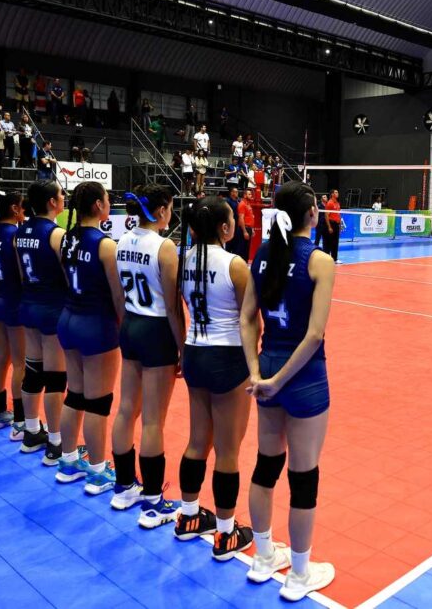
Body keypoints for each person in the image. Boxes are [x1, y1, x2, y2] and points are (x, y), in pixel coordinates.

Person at [240, 181, 337, 599]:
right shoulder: (320, 261)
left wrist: (257, 373)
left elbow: (247, 318)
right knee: (304, 475)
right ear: (312, 213)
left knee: (266, 465)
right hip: (303, 376)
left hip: (268, 368)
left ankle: (264, 557)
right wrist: (278, 380)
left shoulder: (263, 254)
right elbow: (314, 335)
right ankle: (298, 574)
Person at [177, 195, 254, 561]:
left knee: (197, 441)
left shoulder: (184, 260)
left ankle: (189, 516)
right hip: (227, 357)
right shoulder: (234, 265)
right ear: (225, 227)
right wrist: (255, 366)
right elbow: (251, 320)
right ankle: (225, 533)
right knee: (227, 449)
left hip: (195, 351)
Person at [108, 185, 183, 529]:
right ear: (163, 210)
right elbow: (172, 306)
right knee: (153, 419)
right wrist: (183, 347)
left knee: (127, 409)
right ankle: (153, 501)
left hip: (131, 325)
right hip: (155, 329)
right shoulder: (164, 247)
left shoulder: (121, 241)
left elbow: (120, 296)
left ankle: (124, 487)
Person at [55, 181, 125, 492]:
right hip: (96, 325)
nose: (109, 203)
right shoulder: (105, 245)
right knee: (99, 402)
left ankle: (68, 461)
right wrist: (126, 330)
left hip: (69, 318)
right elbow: (118, 296)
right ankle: (97, 470)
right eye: (107, 199)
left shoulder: (66, 238)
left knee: (75, 394)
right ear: (98, 205)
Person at [17, 181, 77, 460]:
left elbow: (21, 272)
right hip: (52, 308)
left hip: (29, 304)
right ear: (52, 202)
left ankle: (31, 432)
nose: (64, 198)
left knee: (33, 372)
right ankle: (55, 441)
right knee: (55, 379)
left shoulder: (21, 231)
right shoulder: (56, 234)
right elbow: (69, 276)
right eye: (61, 195)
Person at [0, 189, 27, 433]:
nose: (25, 210)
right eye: (22, 206)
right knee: (20, 363)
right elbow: (22, 274)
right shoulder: (15, 235)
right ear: (14, 208)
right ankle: (21, 421)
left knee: (1, 357)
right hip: (12, 300)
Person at [323, 190, 341, 262]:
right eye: (336, 192)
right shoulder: (330, 203)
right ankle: (326, 259)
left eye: (337, 192)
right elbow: (326, 215)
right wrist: (329, 227)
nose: (337, 193)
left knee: (335, 242)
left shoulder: (337, 203)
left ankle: (335, 259)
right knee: (328, 242)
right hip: (331, 224)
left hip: (336, 225)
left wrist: (339, 225)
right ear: (332, 194)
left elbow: (338, 215)